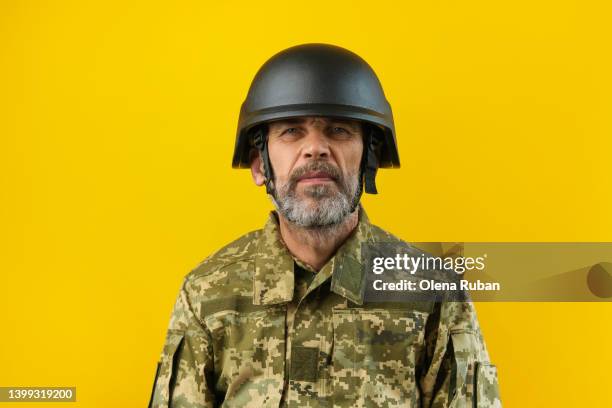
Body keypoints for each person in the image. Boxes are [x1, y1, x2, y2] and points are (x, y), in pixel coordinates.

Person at [148, 43, 501, 408]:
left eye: (338, 130)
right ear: (258, 164)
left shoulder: (432, 293)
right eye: (291, 131)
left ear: (369, 159)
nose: (315, 148)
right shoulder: (208, 294)